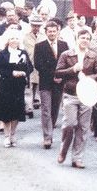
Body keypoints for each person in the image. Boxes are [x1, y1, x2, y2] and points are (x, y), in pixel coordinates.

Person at [55, 28, 97, 168]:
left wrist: (88, 78)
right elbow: (58, 73)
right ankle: (63, 149)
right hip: (70, 94)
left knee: (83, 127)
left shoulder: (94, 56)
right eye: (82, 38)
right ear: (77, 39)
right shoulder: (66, 54)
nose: (85, 41)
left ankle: (77, 157)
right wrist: (73, 70)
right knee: (70, 124)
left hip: (87, 95)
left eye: (88, 39)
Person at [0, 32, 33, 147]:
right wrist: (12, 73)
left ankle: (13, 134)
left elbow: (30, 67)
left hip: (18, 85)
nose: (14, 40)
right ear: (8, 41)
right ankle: (6, 136)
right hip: (6, 85)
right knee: (6, 111)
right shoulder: (2, 54)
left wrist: (24, 72)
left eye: (16, 38)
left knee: (16, 111)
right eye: (12, 38)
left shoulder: (23, 53)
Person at [33, 19, 68, 149]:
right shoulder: (40, 46)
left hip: (60, 82)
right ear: (46, 32)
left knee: (54, 109)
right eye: (50, 31)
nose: (52, 33)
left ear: (58, 31)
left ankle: (51, 128)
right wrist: (53, 76)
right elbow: (38, 64)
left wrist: (61, 76)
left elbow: (67, 63)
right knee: (46, 109)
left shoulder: (64, 45)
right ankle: (47, 137)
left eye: (54, 31)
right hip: (46, 82)